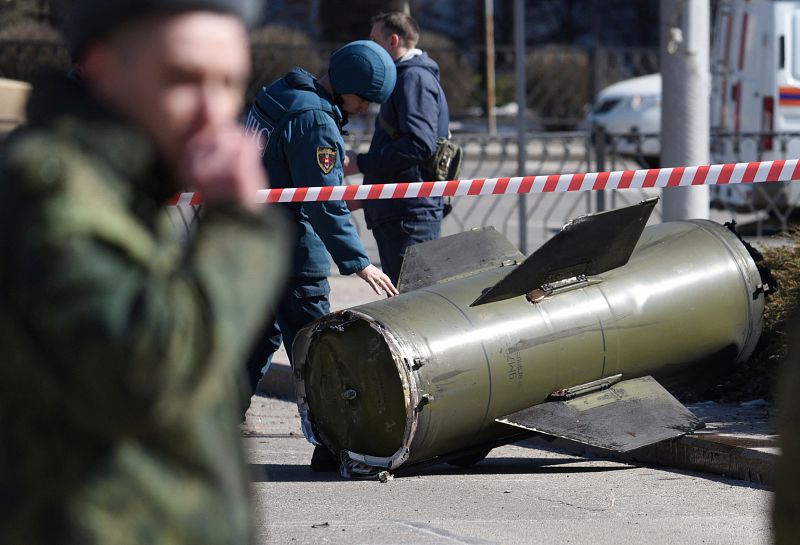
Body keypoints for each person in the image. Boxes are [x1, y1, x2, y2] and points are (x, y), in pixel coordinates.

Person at [0, 2, 289, 544]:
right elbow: (152, 367)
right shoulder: (54, 188)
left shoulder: (121, 181)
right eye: (182, 79)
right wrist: (239, 227)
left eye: (230, 83)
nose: (213, 110)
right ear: (104, 67)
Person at [243, 40, 399, 467]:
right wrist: (359, 261)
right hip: (290, 254)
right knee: (317, 353)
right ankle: (334, 446)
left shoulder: (281, 93)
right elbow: (323, 201)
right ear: (347, 86)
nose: (365, 109)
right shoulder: (314, 119)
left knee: (250, 343)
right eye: (364, 100)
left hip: (250, 242)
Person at [345, 11, 451, 286]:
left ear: (393, 41)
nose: (368, 48)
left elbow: (418, 144)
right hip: (403, 210)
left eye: (373, 40)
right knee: (411, 302)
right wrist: (369, 197)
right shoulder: (407, 77)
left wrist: (362, 163)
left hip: (408, 214)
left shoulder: (412, 78)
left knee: (413, 304)